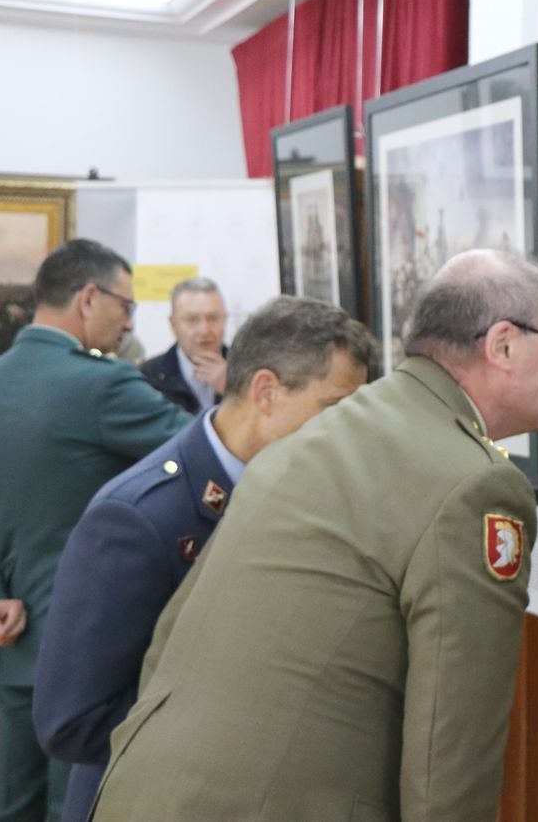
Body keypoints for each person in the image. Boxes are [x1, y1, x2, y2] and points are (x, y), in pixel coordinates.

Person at [89, 249, 538, 821]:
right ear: (503, 345)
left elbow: (170, 640)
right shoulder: (475, 487)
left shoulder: (321, 433)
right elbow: (450, 754)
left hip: (144, 792)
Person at [32, 295, 377, 822]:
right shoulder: (139, 517)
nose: (349, 433)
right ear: (266, 391)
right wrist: (237, 722)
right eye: (333, 409)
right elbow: (71, 720)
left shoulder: (310, 492)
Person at [0, 238, 192, 822]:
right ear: (88, 298)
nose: (127, 322)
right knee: (82, 805)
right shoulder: (102, 386)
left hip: (14, 646)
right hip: (96, 651)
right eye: (124, 305)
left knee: (13, 804)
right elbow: (208, 452)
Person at [141, 277, 228, 413]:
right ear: (173, 324)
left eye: (212, 318)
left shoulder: (248, 370)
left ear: (224, 320)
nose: (204, 330)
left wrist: (233, 390)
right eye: (192, 320)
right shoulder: (148, 377)